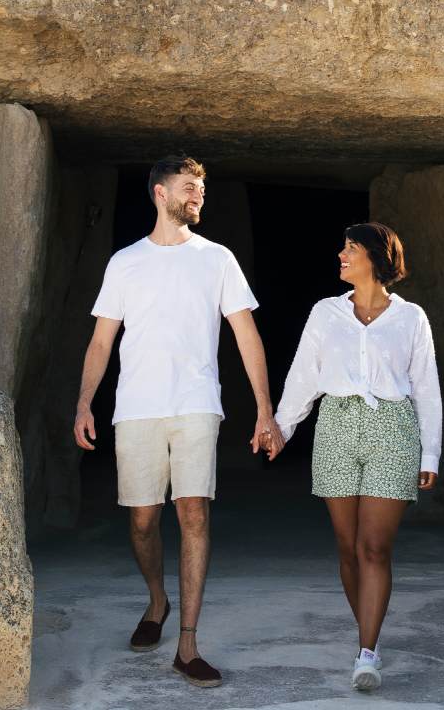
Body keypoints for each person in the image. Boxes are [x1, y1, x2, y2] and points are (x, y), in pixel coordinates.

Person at [73, 155, 283, 689]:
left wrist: (265, 409)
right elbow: (102, 340)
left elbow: (246, 336)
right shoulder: (124, 262)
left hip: (196, 404)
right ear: (160, 195)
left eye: (203, 190)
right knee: (143, 520)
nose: (199, 197)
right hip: (137, 407)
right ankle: (157, 600)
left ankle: (188, 644)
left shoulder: (217, 259)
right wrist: (83, 404)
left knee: (193, 513)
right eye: (190, 188)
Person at [271, 221, 442, 692]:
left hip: (393, 429)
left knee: (374, 547)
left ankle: (367, 652)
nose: (341, 254)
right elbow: (304, 374)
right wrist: (282, 427)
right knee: (347, 549)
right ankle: (368, 632)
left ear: (376, 258)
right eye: (343, 247)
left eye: (351, 248)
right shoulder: (325, 313)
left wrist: (431, 452)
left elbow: (427, 388)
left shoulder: (411, 318)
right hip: (337, 428)